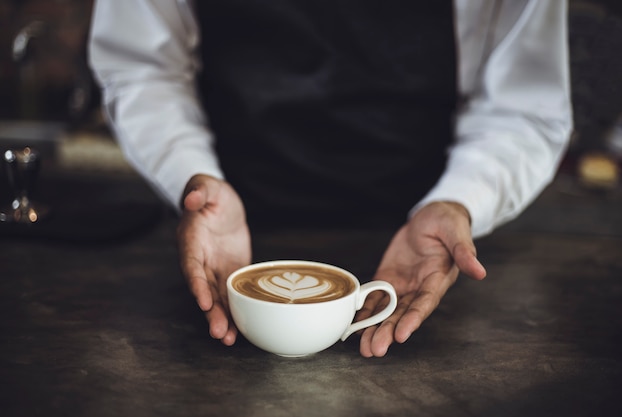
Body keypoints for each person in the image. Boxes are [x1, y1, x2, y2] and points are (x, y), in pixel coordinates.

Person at [88, 0, 573, 357]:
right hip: (229, 237)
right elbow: (144, 69)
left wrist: (460, 200)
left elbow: (523, 106)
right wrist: (193, 179)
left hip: (418, 248)